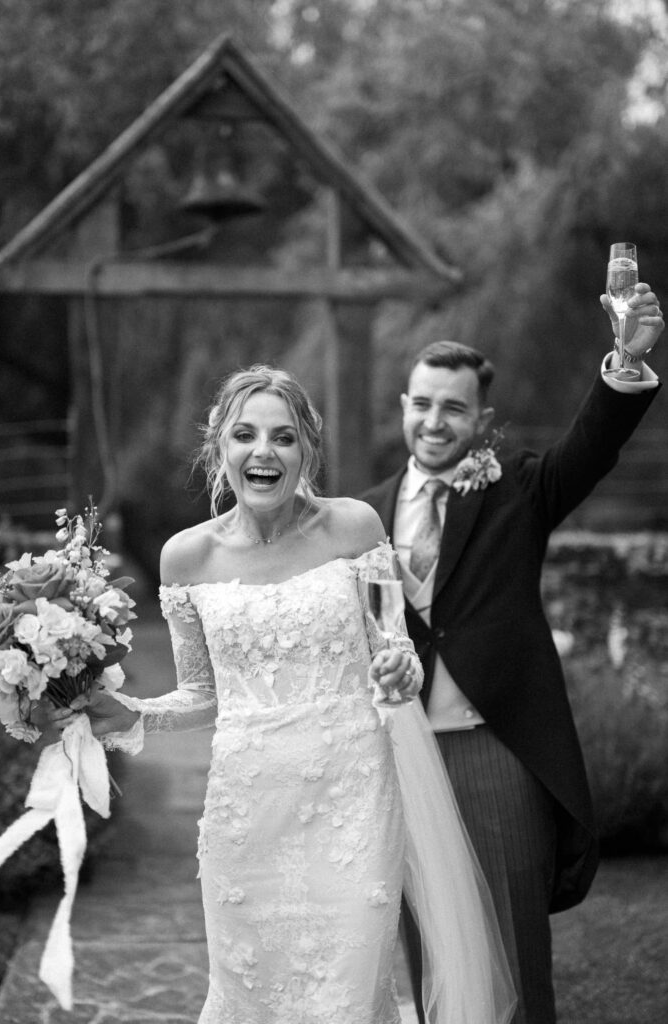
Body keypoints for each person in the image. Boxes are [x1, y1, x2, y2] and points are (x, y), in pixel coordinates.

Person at [45, 365, 516, 1024]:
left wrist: (400, 669)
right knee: (252, 998)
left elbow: (393, 642)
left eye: (283, 437)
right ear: (219, 449)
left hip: (352, 801)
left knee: (348, 997)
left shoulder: (354, 529)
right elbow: (201, 694)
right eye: (244, 435)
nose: (263, 451)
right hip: (247, 812)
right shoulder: (186, 559)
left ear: (307, 451)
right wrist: (127, 713)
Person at [359, 282, 663, 1024]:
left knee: (513, 953)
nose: (434, 421)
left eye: (453, 408)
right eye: (422, 404)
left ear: (480, 419)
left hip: (494, 748)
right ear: (403, 406)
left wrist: (623, 360)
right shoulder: (358, 514)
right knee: (427, 942)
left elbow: (590, 446)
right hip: (399, 756)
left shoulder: (518, 488)